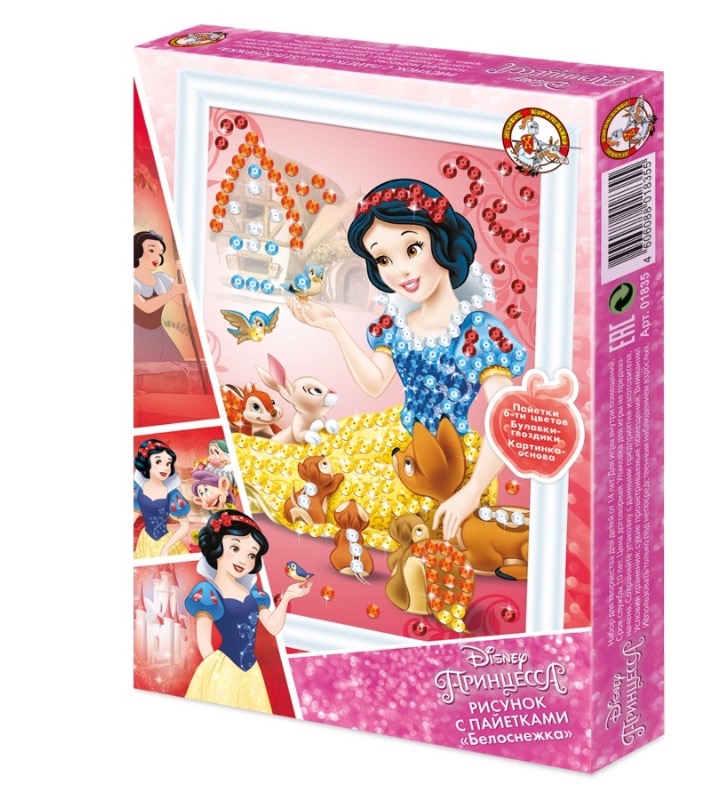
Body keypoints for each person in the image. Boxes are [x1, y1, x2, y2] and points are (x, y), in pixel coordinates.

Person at [286, 179, 527, 540]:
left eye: (412, 249)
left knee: (371, 516)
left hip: (448, 463)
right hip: (396, 441)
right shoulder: (396, 325)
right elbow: (374, 385)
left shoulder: (477, 330)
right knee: (312, 471)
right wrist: (335, 327)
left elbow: (507, 419)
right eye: (384, 259)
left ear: (442, 242)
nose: (400, 270)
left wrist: (472, 491)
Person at [184, 511, 311, 712]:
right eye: (235, 548)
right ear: (217, 546)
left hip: (251, 671)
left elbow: (273, 627)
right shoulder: (208, 592)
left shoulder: (253, 591)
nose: (244, 560)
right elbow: (204, 641)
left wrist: (287, 596)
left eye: (251, 554)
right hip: (222, 669)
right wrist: (215, 676)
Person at [133, 230, 187, 362]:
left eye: (160, 253)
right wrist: (172, 292)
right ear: (137, 251)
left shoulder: (162, 279)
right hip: (137, 336)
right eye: (151, 250)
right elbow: (146, 307)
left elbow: (184, 302)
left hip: (159, 334)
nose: (157, 257)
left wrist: (182, 274)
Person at [133, 439, 191, 558]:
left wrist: (166, 547)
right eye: (158, 461)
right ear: (146, 463)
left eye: (168, 463)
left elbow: (185, 525)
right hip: (145, 541)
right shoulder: (137, 489)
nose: (165, 468)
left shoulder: (172, 494)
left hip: (165, 541)